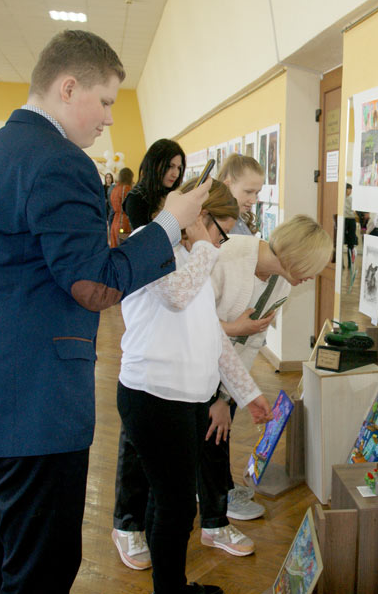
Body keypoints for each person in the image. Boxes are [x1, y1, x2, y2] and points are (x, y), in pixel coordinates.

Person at [0, 30, 209, 593]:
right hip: (31, 402)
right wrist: (169, 226)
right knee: (40, 570)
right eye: (104, 101)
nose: (109, 118)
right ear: (67, 86)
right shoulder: (59, 162)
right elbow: (94, 286)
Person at [118, 179, 272, 594]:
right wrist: (204, 244)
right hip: (153, 396)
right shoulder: (150, 243)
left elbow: (212, 334)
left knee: (169, 501)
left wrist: (248, 392)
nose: (221, 244)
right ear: (199, 218)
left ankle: (170, 586)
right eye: (220, 231)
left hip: (183, 399)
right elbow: (176, 295)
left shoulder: (193, 253)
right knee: (176, 504)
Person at [198, 214, 332, 554]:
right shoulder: (228, 256)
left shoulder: (281, 282)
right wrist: (217, 396)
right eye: (309, 268)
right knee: (201, 441)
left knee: (214, 434)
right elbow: (193, 323)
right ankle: (211, 519)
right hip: (188, 371)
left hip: (222, 375)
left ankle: (215, 508)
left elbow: (252, 341)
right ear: (293, 256)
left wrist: (227, 396)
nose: (310, 278)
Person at [112, 138, 188, 570]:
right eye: (170, 165)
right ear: (156, 164)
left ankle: (144, 519)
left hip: (166, 332)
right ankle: (126, 521)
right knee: (134, 439)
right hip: (146, 326)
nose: (175, 173)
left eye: (181, 166)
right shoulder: (142, 202)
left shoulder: (170, 200)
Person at [124, 138, 187, 228]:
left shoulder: (174, 193)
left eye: (179, 168)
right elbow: (145, 238)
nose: (176, 174)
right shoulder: (136, 198)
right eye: (170, 166)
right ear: (154, 165)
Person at [217, 153, 262, 235]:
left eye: (256, 193)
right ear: (227, 185)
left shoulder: (240, 219)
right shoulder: (217, 225)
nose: (253, 201)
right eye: (248, 192)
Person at [108, 167, 133, 247]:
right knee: (124, 249)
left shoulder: (114, 189)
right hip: (124, 223)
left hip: (115, 221)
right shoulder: (127, 189)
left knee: (115, 247)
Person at [344, 183, 357, 272]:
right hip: (344, 220)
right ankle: (340, 263)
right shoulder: (341, 199)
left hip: (352, 221)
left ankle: (350, 263)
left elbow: (355, 211)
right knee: (340, 242)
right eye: (349, 189)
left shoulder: (352, 199)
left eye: (351, 189)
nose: (350, 191)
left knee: (351, 243)